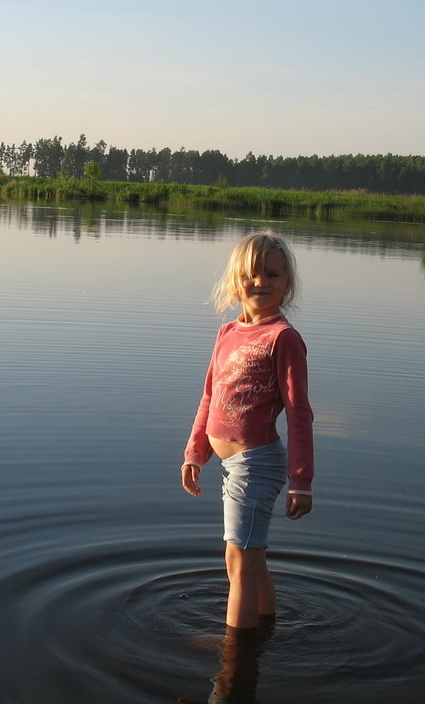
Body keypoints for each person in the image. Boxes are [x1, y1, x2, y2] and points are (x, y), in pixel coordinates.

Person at [180, 230, 314, 631]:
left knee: (238, 563)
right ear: (236, 280)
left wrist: (301, 481)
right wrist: (195, 452)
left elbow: (299, 413)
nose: (261, 282)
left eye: (272, 275)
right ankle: (265, 629)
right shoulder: (227, 333)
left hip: (257, 464)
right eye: (252, 275)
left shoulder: (283, 338)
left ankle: (233, 658)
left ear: (287, 284)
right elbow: (209, 397)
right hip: (233, 465)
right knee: (253, 563)